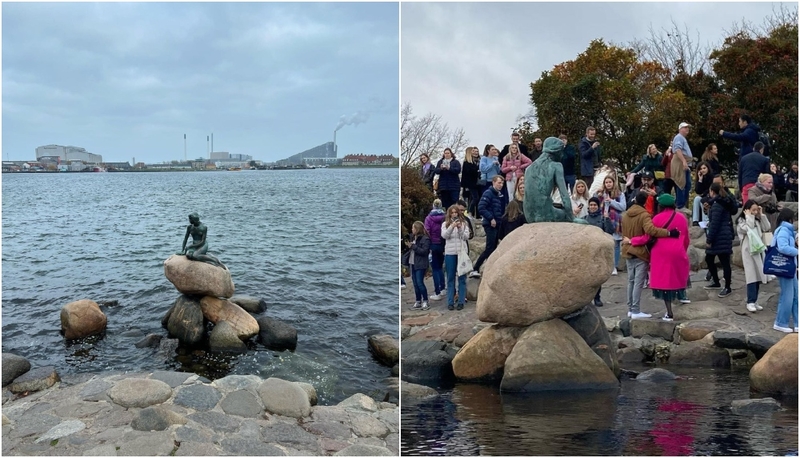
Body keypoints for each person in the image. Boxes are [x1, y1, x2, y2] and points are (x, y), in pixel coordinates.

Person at [633, 194, 690, 321]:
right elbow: (686, 238)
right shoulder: (682, 218)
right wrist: (682, 250)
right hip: (678, 250)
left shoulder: (656, 219)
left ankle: (669, 313)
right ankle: (683, 296)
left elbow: (647, 237)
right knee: (678, 275)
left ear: (661, 206)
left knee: (665, 283)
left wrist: (633, 240)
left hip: (661, 254)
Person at [621, 192, 675, 319]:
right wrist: (668, 233)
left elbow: (623, 232)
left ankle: (630, 309)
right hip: (639, 251)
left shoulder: (625, 215)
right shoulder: (644, 215)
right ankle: (635, 310)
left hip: (627, 249)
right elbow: (651, 230)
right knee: (638, 282)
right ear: (645, 202)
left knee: (631, 281)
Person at [735, 200, 770, 313]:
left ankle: (755, 300)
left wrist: (761, 215)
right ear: (747, 209)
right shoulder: (741, 220)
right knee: (751, 276)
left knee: (759, 276)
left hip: (758, 250)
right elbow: (747, 228)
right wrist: (749, 217)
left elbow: (767, 227)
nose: (755, 212)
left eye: (756, 209)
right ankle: (750, 301)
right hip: (749, 252)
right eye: (753, 210)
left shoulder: (757, 219)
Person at [469, 175, 505, 278]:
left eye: (502, 183)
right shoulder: (488, 193)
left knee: (494, 247)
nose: (501, 185)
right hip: (490, 224)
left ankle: (490, 268)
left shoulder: (498, 195)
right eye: (499, 183)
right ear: (493, 182)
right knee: (489, 248)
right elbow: (481, 207)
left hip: (497, 223)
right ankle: (476, 268)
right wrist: (491, 218)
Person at [704, 183, 735, 298]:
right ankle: (716, 281)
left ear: (712, 191)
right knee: (709, 258)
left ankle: (727, 287)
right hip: (723, 235)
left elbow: (715, 224)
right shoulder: (721, 202)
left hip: (719, 237)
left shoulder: (717, 205)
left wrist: (709, 239)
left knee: (724, 262)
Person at [583, 196, 614, 307]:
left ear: (598, 206)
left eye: (594, 205)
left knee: (597, 278)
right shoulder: (584, 219)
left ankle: (597, 297)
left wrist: (607, 219)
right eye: (591, 205)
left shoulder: (602, 218)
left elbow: (610, 231)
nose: (592, 207)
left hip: (599, 252)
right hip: (586, 252)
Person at [771, 208, 798, 333]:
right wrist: (797, 251)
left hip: (789, 267)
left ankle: (797, 323)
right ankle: (780, 322)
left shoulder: (786, 230)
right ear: (790, 219)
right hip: (785, 267)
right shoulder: (784, 230)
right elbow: (782, 247)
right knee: (787, 296)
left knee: (795, 295)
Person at [441, 204, 471, 311]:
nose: (454, 214)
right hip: (450, 253)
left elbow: (466, 237)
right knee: (450, 278)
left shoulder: (464, 224)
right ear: (449, 214)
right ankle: (450, 301)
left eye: (456, 212)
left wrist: (459, 229)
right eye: (452, 213)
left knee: (462, 277)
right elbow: (444, 236)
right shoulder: (445, 224)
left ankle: (461, 301)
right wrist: (451, 226)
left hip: (461, 253)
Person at [596, 174, 627, 275]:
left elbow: (623, 207)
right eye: (606, 182)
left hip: (615, 221)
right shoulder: (601, 194)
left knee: (615, 244)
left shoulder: (620, 194)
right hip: (603, 220)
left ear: (613, 183)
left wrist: (612, 201)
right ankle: (604, 266)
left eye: (610, 182)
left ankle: (614, 266)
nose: (608, 184)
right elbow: (594, 203)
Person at [424, 199, 446, 301]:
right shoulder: (444, 217)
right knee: (440, 267)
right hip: (442, 244)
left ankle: (437, 291)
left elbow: (427, 231)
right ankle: (443, 288)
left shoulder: (428, 218)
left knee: (435, 269)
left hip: (433, 244)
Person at [406, 221, 431, 311]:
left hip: (420, 263)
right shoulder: (412, 237)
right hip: (412, 262)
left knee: (420, 282)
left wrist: (414, 247)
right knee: (415, 283)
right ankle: (418, 300)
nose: (412, 229)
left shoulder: (425, 239)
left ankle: (425, 300)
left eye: (413, 228)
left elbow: (424, 252)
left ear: (417, 229)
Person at [671, 122, 693, 209]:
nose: (687, 129)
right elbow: (677, 149)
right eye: (685, 127)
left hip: (684, 163)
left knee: (686, 185)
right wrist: (684, 161)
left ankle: (681, 204)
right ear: (680, 129)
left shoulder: (682, 138)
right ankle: (680, 206)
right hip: (680, 163)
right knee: (681, 183)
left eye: (688, 127)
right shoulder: (679, 137)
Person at [460, 146, 481, 218]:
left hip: (475, 184)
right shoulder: (467, 163)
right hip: (470, 184)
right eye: (472, 151)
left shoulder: (474, 162)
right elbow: (469, 173)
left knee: (473, 199)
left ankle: (473, 213)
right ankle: (469, 211)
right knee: (475, 198)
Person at [692, 161, 714, 226]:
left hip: (710, 196)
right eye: (701, 169)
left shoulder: (712, 177)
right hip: (703, 196)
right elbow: (698, 191)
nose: (702, 170)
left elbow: (711, 189)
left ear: (708, 168)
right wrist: (700, 180)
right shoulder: (701, 178)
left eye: (704, 168)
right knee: (697, 198)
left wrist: (704, 194)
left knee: (703, 200)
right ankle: (695, 220)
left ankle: (705, 220)